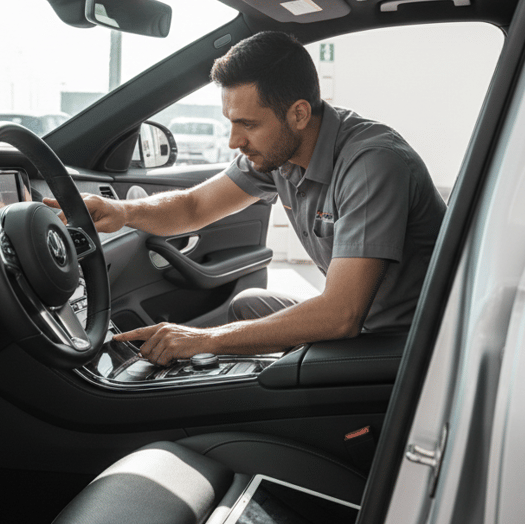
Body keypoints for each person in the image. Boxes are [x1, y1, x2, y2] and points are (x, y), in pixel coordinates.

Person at [46, 31, 445, 366]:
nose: (235, 141)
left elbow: (341, 315)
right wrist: (122, 211)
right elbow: (195, 207)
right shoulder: (281, 153)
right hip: (364, 322)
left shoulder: (372, 164)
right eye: (231, 123)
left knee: (227, 343)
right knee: (248, 303)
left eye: (248, 124)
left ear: (299, 114)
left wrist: (203, 340)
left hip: (404, 343)